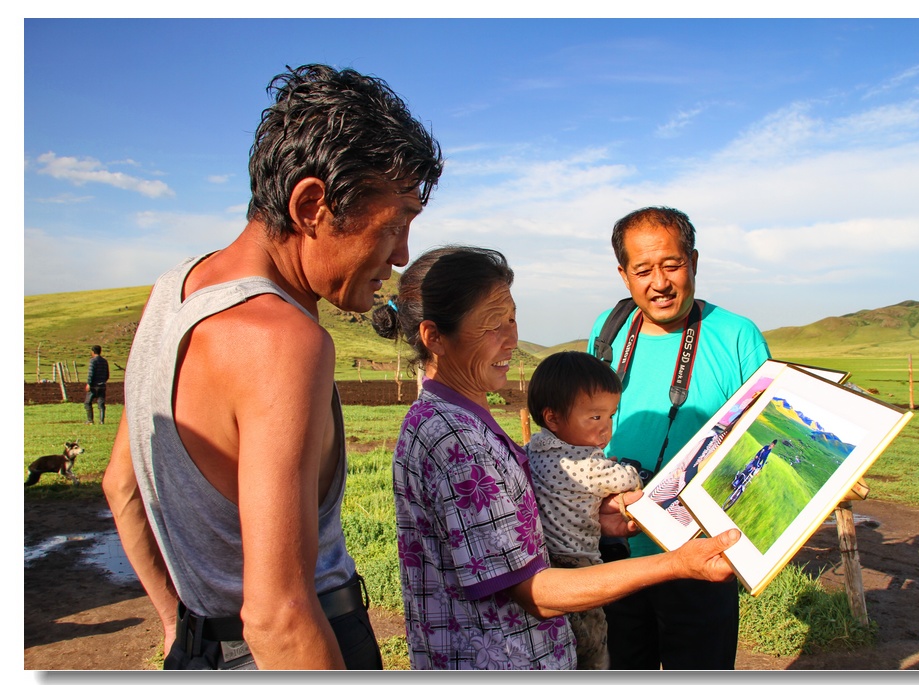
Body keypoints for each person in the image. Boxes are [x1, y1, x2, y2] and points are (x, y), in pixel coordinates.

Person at [101, 64, 443, 670]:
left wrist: (177, 625)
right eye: (393, 226)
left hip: (201, 648)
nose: (401, 256)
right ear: (312, 205)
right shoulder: (284, 341)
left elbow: (122, 486)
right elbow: (279, 615)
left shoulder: (173, 290)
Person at [372, 245, 741, 670]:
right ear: (434, 337)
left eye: (511, 318)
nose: (512, 338)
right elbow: (537, 593)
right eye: (493, 325)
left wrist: (587, 513)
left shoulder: (459, 419)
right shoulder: (455, 439)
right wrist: (676, 564)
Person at [587, 206, 771, 670]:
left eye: (671, 265)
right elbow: (582, 432)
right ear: (623, 274)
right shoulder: (606, 332)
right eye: (642, 270)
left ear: (693, 261)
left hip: (700, 554)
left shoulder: (736, 337)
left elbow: (765, 441)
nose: (660, 283)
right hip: (616, 552)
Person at [524, 351, 644, 669]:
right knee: (593, 643)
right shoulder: (587, 465)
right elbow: (626, 478)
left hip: (543, 565)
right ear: (553, 418)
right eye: (595, 417)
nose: (606, 429)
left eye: (610, 416)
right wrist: (627, 472)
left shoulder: (531, 451)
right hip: (580, 566)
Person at [84, 345, 109, 425]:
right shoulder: (104, 361)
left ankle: (90, 420)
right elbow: (107, 374)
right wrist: (103, 381)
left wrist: (89, 383)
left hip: (94, 385)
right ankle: (101, 421)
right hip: (102, 385)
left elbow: (91, 373)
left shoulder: (93, 361)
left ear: (93, 352)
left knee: (87, 402)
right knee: (101, 403)